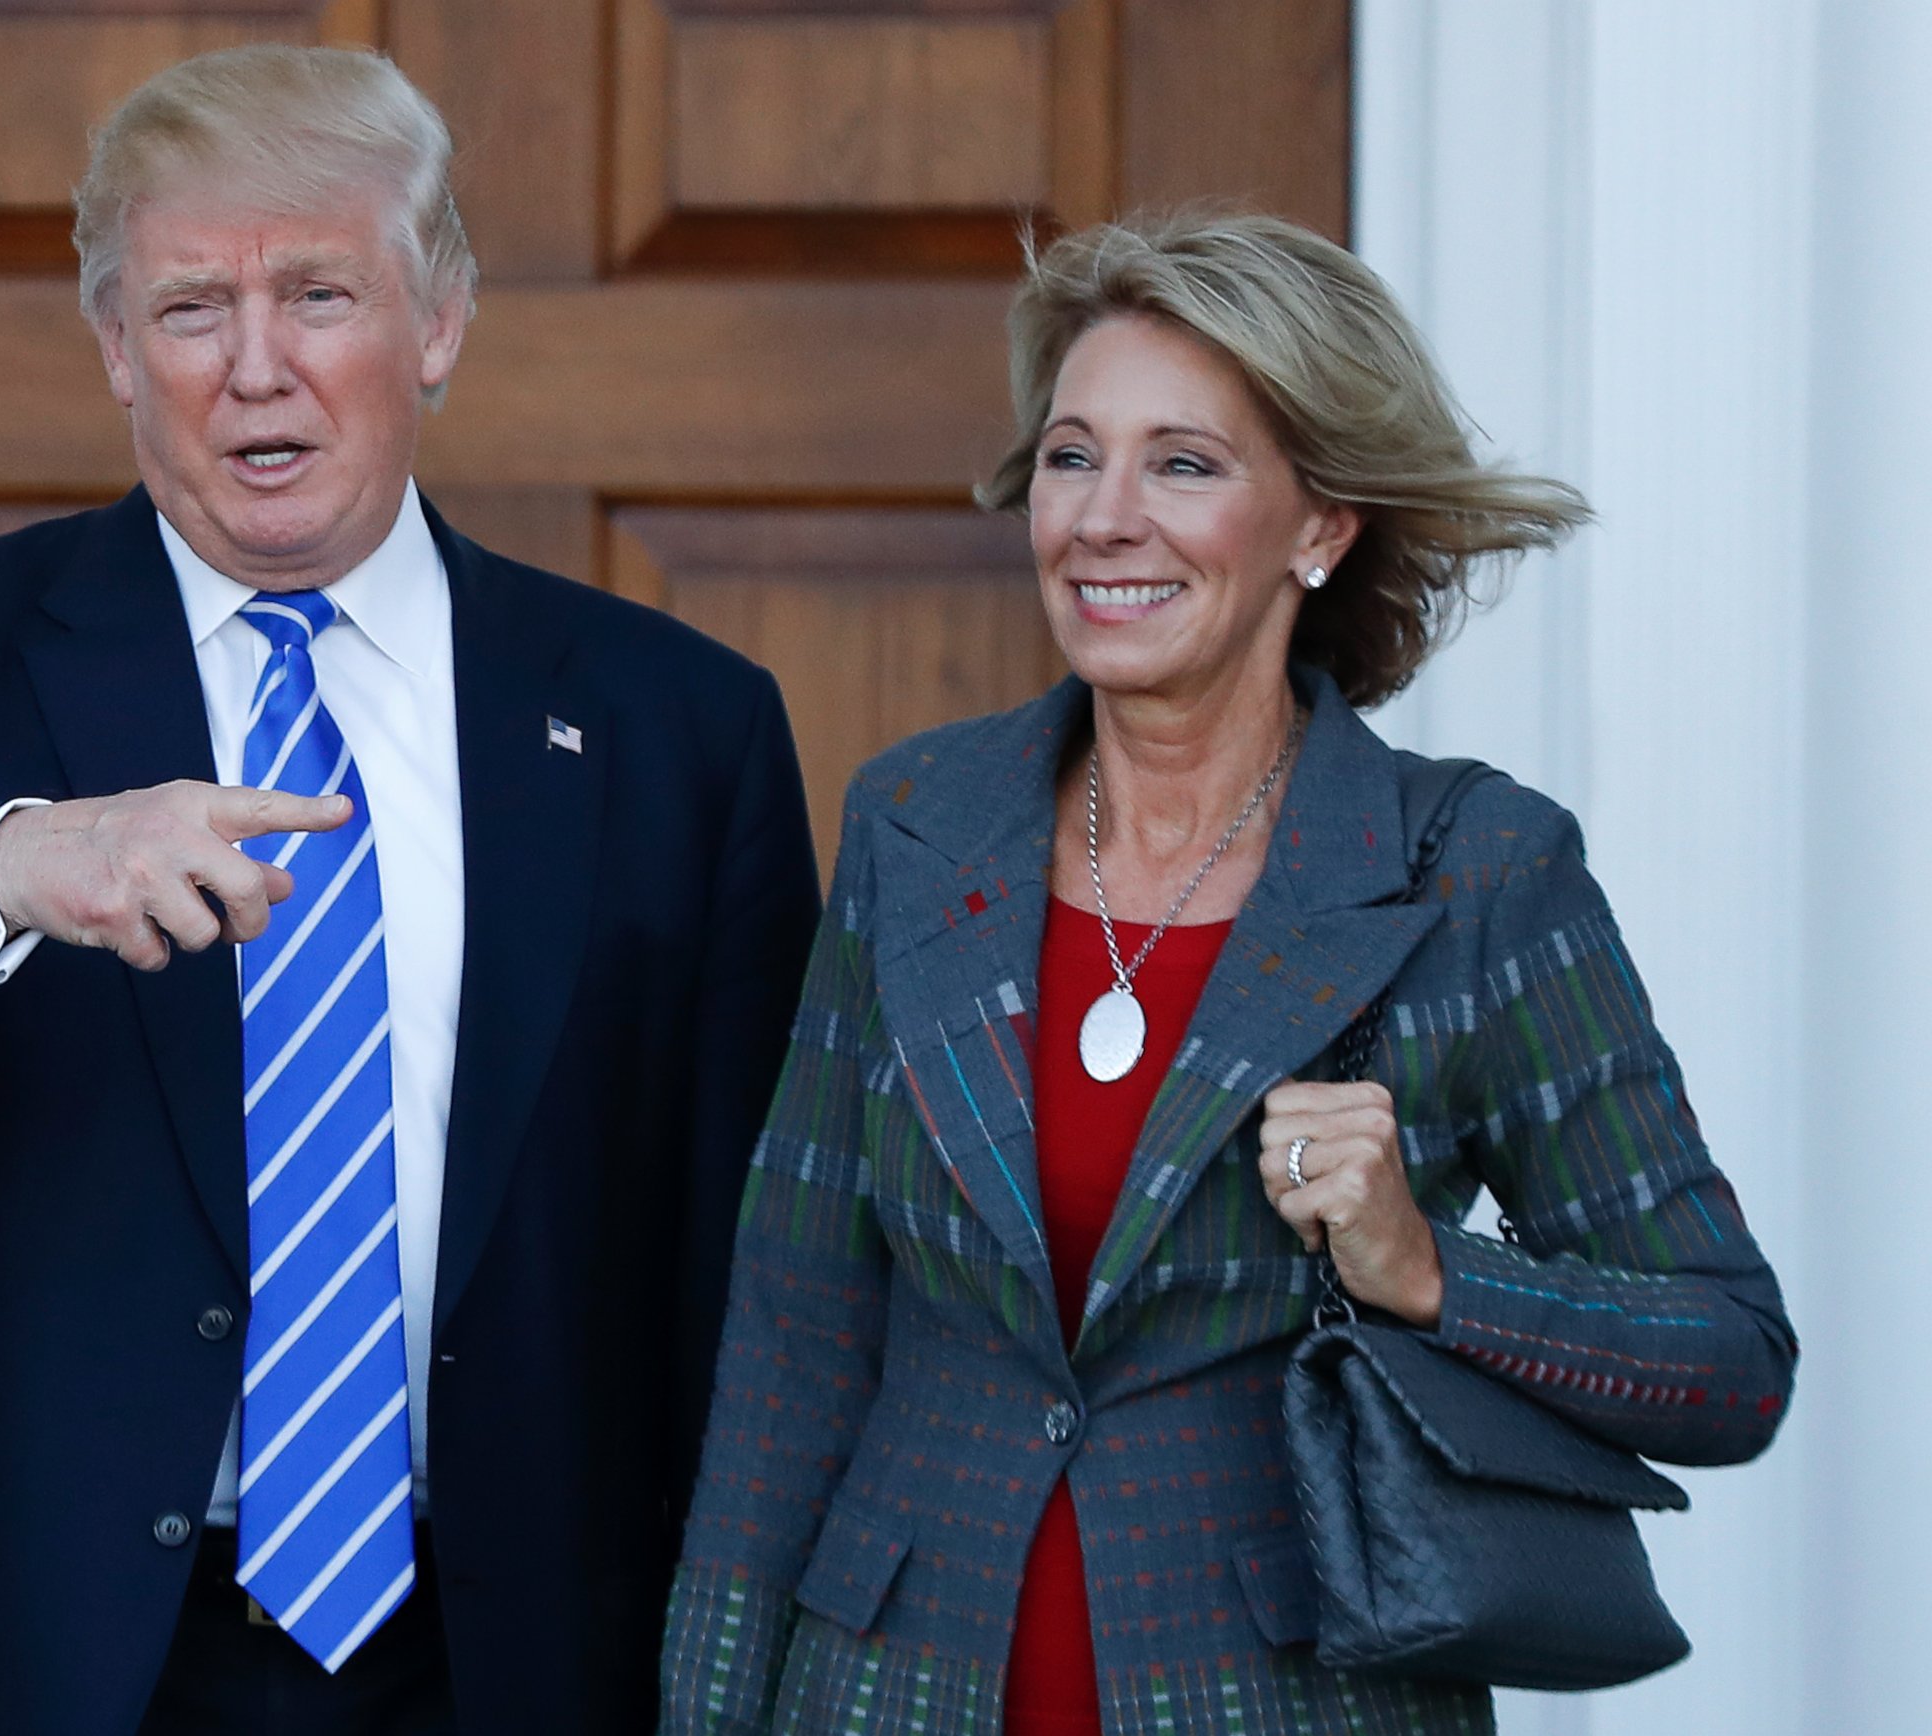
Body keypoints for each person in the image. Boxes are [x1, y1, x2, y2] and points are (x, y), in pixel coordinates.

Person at [0, 44, 820, 1736]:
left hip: (515, 1655)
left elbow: (749, 1272)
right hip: (35, 1650)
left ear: (440, 322)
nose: (256, 369)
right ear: (118, 351)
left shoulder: (676, 723)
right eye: (193, 309)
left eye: (321, 293)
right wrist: (6, 869)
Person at [658, 212, 1796, 1736]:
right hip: (889, 1692)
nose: (1103, 519)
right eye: (1073, 457)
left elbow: (1729, 1358)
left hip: (1284, 1698)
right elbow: (797, 1341)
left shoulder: (1475, 871)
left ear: (1321, 526)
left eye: (1183, 465)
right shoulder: (915, 825)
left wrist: (1427, 1271)